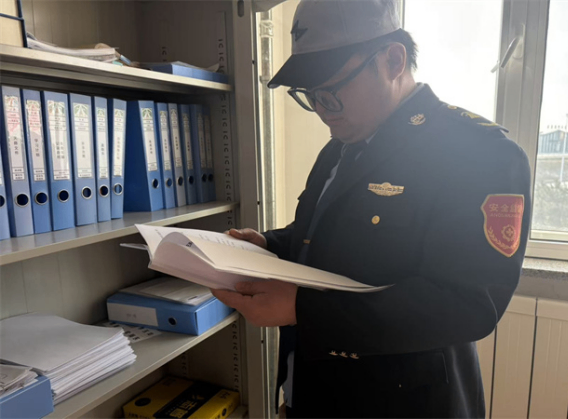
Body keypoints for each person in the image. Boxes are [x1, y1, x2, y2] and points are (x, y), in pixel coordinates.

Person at [212, 0, 531, 417]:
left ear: (393, 60)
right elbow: (323, 237)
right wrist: (269, 246)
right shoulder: (340, 147)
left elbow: (467, 306)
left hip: (402, 403)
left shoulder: (479, 154)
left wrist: (301, 309)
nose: (321, 109)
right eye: (310, 95)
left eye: (331, 91)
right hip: (315, 390)